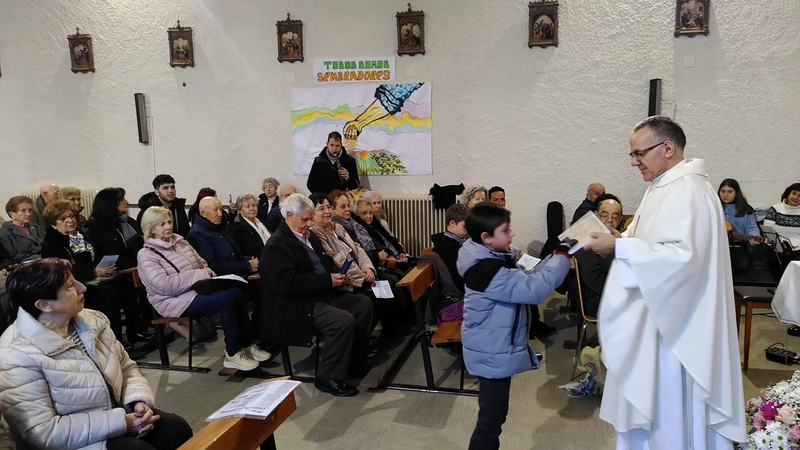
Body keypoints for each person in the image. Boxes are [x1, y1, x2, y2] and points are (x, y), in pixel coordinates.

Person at [584, 116, 745, 448]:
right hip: (658, 318)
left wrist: (619, 246)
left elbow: (684, 259)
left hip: (680, 329)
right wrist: (622, 237)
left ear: (667, 148)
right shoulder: (663, 186)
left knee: (673, 415)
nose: (634, 162)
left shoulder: (688, 190)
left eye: (639, 153)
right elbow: (655, 241)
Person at [0, 258, 193, 450]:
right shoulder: (16, 353)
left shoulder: (91, 320)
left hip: (119, 416)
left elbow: (126, 368)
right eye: (69, 286)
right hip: (76, 441)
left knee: (175, 429)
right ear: (44, 305)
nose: (82, 287)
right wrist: (122, 423)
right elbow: (43, 433)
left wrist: (138, 402)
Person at [458, 203, 572, 449]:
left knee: (495, 416)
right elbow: (534, 289)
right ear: (486, 238)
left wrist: (557, 254)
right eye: (506, 230)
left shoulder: (486, 255)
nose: (512, 234)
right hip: (491, 351)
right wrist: (562, 256)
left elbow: (528, 277)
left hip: (493, 347)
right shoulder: (488, 270)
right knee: (491, 420)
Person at [259, 194, 372, 396]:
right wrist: (327, 280)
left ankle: (351, 362)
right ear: (289, 216)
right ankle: (327, 376)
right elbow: (287, 284)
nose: (309, 223)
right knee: (342, 320)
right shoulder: (277, 246)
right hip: (295, 305)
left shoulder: (308, 236)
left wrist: (336, 275)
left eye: (310, 218)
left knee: (363, 304)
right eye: (304, 219)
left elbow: (323, 264)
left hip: (319, 293)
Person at [137, 207, 270, 371]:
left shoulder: (180, 242)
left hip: (195, 290)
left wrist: (206, 273)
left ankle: (247, 344)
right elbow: (164, 286)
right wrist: (198, 274)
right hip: (173, 300)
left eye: (169, 222)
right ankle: (233, 352)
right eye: (161, 224)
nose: (168, 226)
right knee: (225, 299)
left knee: (236, 292)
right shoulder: (146, 254)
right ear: (151, 230)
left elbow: (203, 263)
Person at [41, 199, 144, 347]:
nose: (70, 220)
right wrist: (94, 271)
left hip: (94, 277)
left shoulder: (79, 236)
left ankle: (135, 331)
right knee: (108, 293)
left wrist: (105, 266)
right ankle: (112, 340)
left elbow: (93, 256)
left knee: (127, 285)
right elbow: (63, 270)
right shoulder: (51, 244)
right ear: (53, 223)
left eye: (71, 216)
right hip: (73, 285)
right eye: (63, 218)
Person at [84, 188, 151, 344]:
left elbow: (138, 244)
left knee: (136, 286)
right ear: (111, 204)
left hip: (125, 268)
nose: (126, 203)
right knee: (121, 290)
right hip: (109, 272)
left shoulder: (124, 222)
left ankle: (138, 330)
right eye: (122, 200)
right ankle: (117, 339)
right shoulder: (97, 226)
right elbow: (111, 253)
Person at [572, 193, 623, 318]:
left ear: (621, 219)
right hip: (599, 299)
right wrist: (623, 291)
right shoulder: (588, 242)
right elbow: (594, 279)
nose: (610, 220)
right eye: (605, 215)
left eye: (615, 216)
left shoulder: (620, 238)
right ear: (596, 216)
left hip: (616, 292)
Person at [186, 197, 258, 277]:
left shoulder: (221, 226)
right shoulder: (196, 234)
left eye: (221, 209)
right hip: (224, 280)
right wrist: (246, 265)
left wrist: (249, 260)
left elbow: (235, 255)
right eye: (215, 210)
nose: (220, 214)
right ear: (203, 213)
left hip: (239, 272)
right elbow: (213, 266)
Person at [431, 203, 469, 293]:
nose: (468, 229)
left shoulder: (459, 241)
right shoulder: (447, 247)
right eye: (464, 226)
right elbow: (457, 277)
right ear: (452, 223)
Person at [0, 196, 45, 264]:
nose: (28, 214)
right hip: (23, 265)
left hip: (44, 261)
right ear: (12, 214)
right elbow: (12, 256)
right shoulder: (5, 232)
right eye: (23, 211)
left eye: (30, 210)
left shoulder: (36, 227)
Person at [230, 194, 271, 258]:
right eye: (248, 206)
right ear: (240, 210)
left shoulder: (262, 221)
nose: (252, 208)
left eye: (254, 205)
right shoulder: (238, 229)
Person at [764, 182, 800, 251]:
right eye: (794, 193)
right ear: (788, 194)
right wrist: (780, 244)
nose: (796, 198)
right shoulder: (775, 209)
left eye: (799, 196)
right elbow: (768, 231)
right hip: (778, 247)